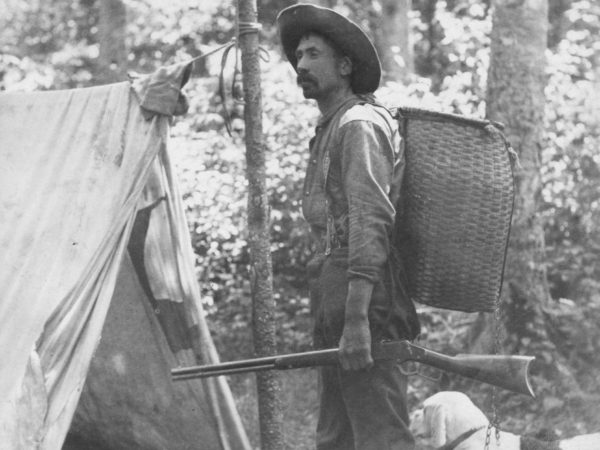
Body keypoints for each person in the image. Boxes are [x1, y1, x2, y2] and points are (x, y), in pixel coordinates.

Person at [277, 4, 421, 450]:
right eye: (298, 55)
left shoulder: (359, 124)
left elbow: (370, 220)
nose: (300, 64)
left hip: (367, 296)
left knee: (381, 435)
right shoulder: (330, 125)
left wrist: (357, 320)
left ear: (344, 66)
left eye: (313, 54)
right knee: (334, 437)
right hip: (334, 292)